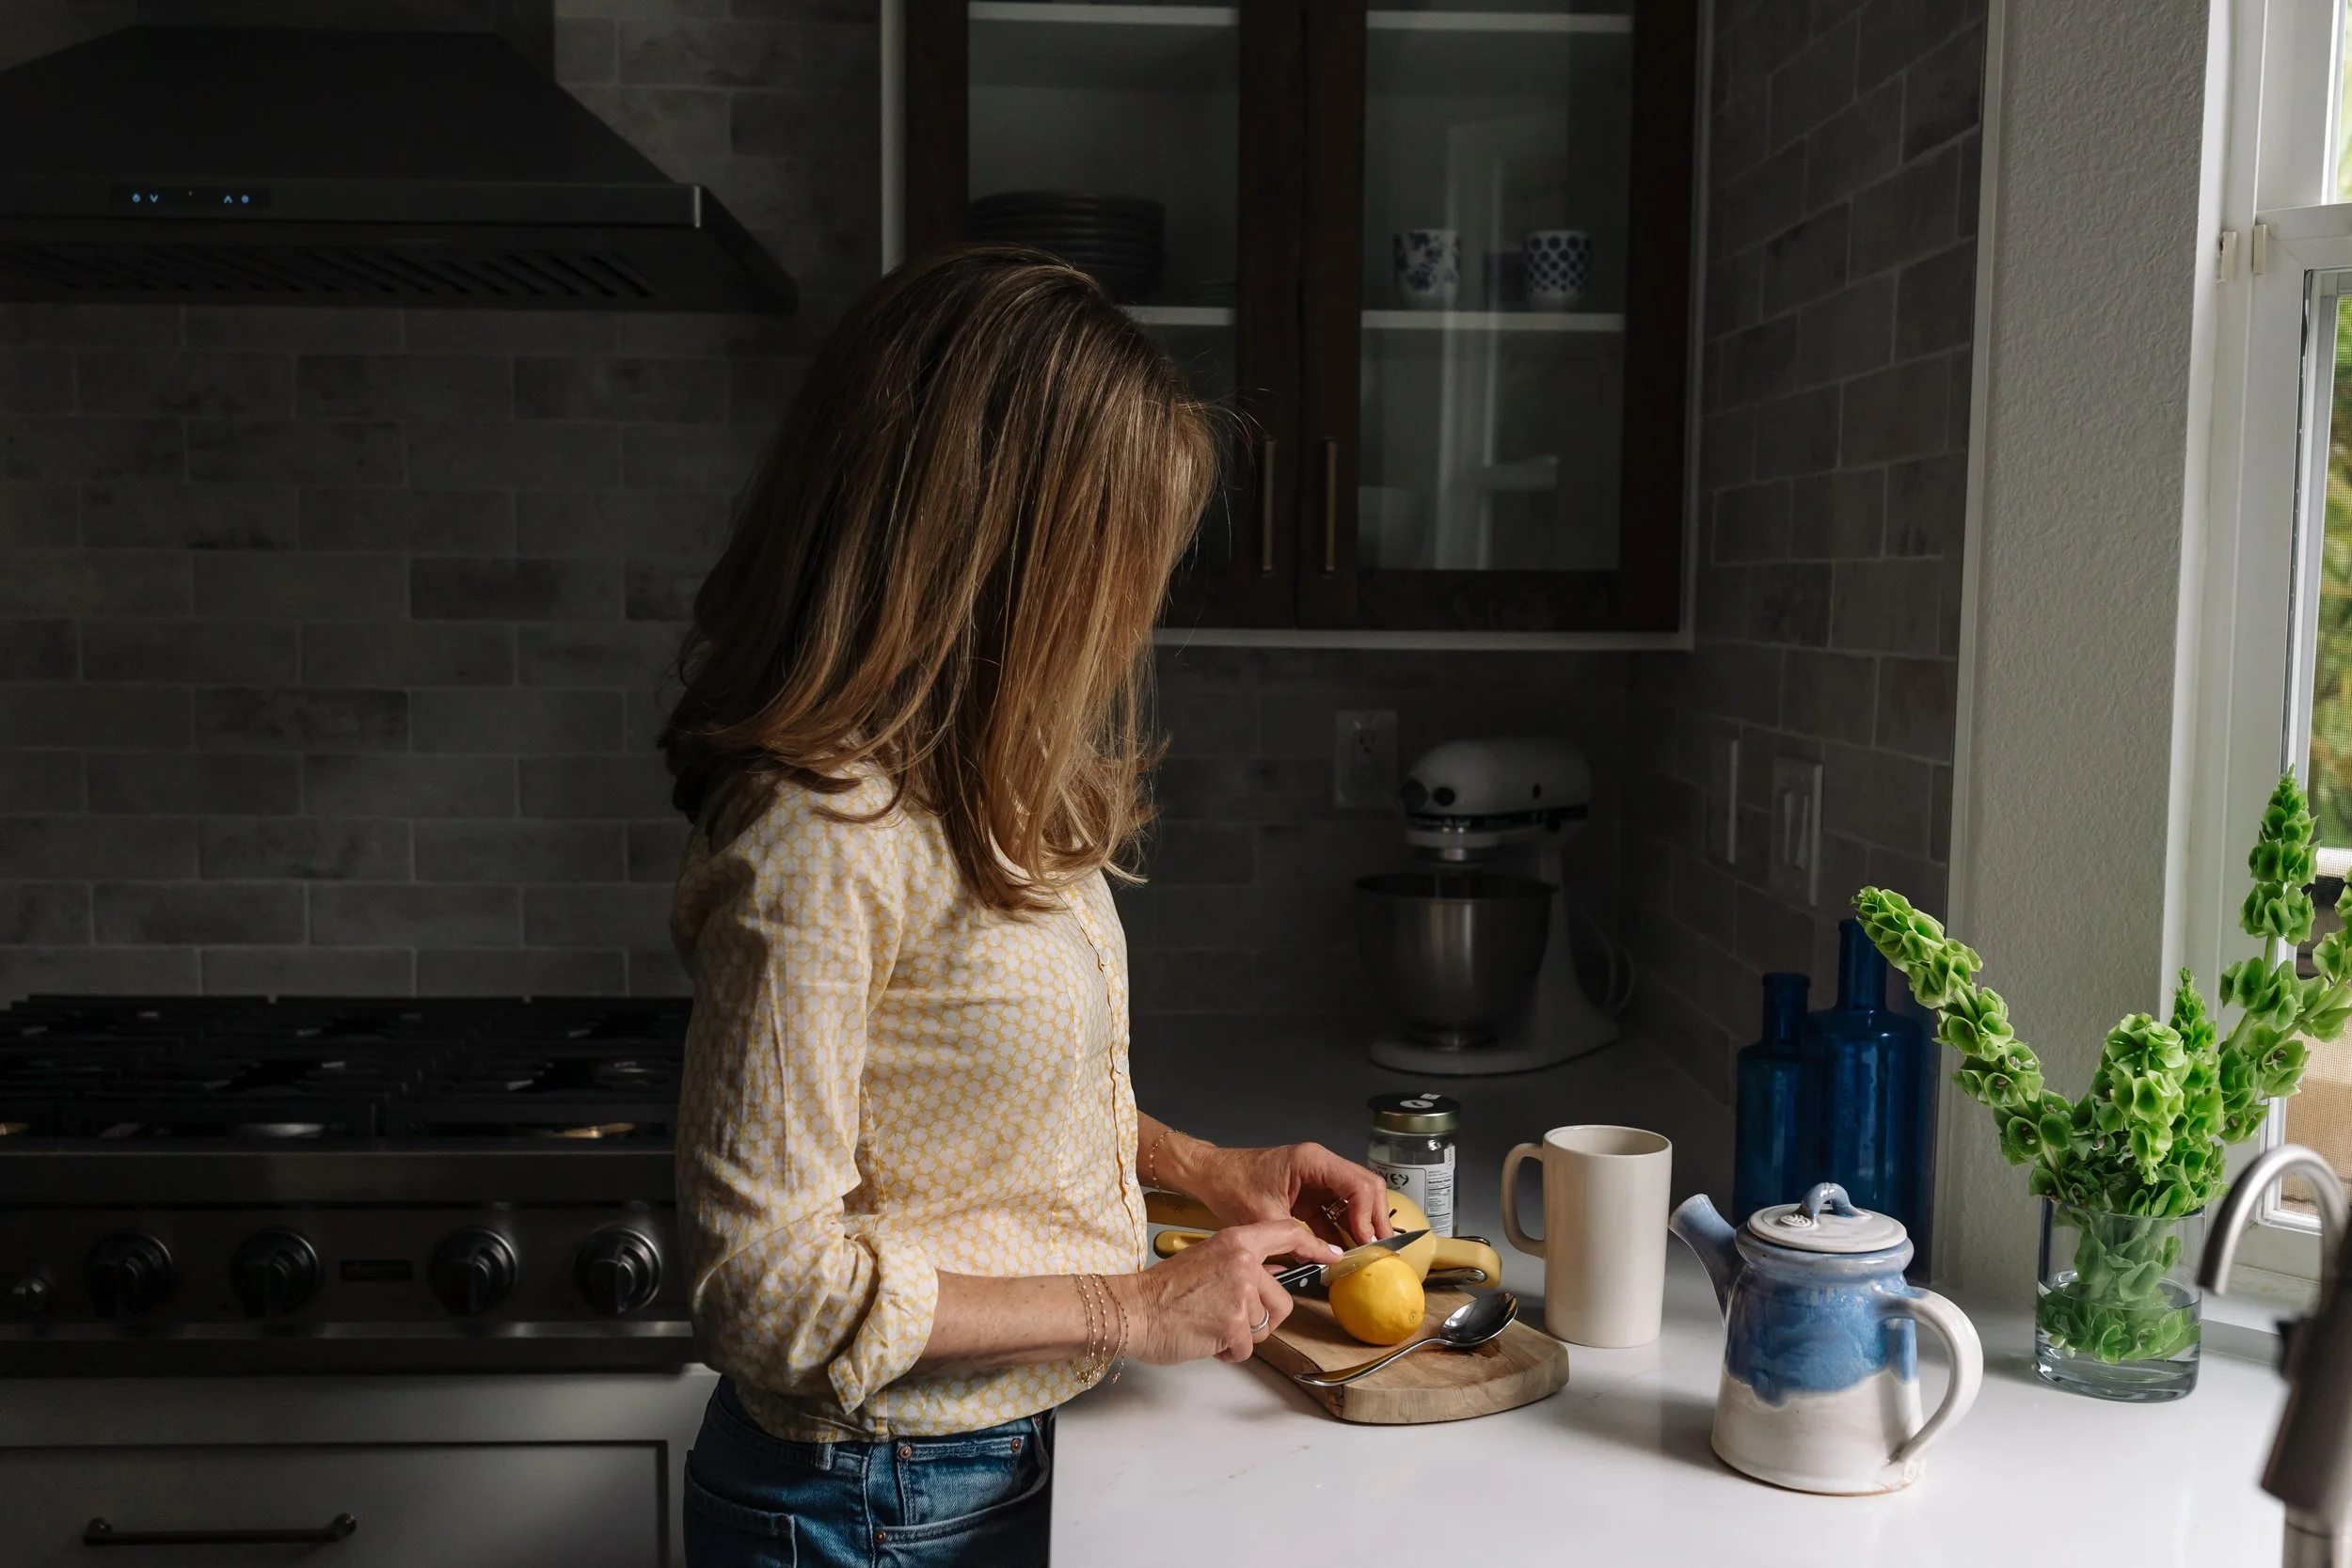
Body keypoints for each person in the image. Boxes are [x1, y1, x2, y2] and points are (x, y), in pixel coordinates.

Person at [661, 244, 1394, 1568]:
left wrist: (1206, 1169)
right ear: (1000, 558)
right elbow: (760, 1291)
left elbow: (979, 1105)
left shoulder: (974, 784)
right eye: (1115, 562)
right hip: (866, 1503)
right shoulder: (819, 833)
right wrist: (1134, 1305)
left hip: (974, 1471)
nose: (1132, 610)